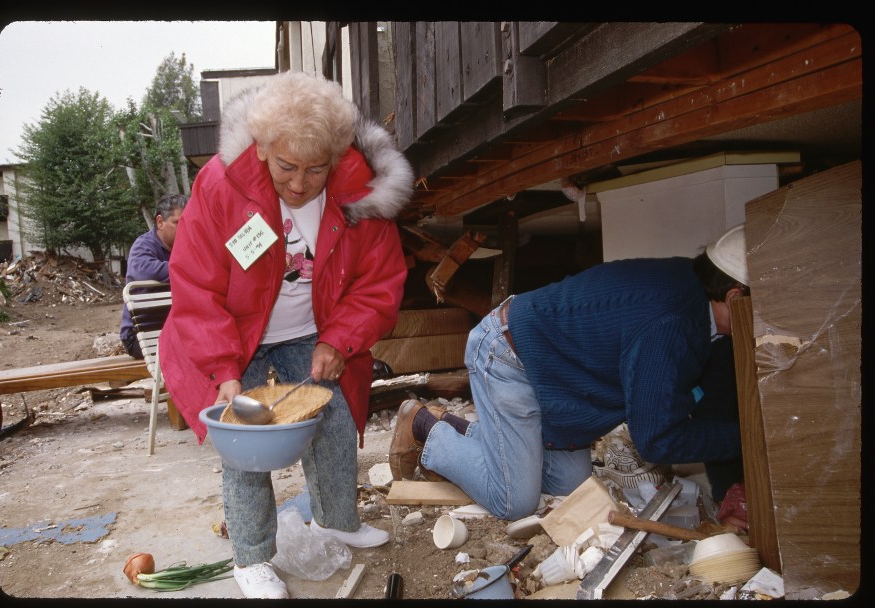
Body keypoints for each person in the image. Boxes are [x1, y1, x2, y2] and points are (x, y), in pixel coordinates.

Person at [159, 71, 413, 599]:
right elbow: (197, 287)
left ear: (339, 157)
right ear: (261, 148)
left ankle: (336, 519)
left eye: (316, 169)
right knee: (246, 440)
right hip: (235, 336)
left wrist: (337, 341)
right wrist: (223, 371)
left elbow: (379, 282)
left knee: (335, 420)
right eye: (285, 167)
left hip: (310, 331)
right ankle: (251, 558)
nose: (299, 184)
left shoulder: (360, 194)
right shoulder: (219, 185)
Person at [390, 224, 750, 521]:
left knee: (570, 487)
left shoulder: (708, 317)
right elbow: (656, 439)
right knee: (514, 503)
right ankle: (423, 425)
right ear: (734, 296)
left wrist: (729, 490)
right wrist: (748, 440)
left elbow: (716, 408)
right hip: (508, 353)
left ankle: (468, 431)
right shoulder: (673, 322)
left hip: (554, 377)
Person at [119, 193, 187, 359]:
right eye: (177, 222)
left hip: (173, 331)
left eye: (187, 223)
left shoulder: (187, 247)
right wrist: (187, 268)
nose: (184, 228)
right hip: (139, 335)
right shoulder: (143, 246)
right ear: (160, 222)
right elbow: (145, 270)